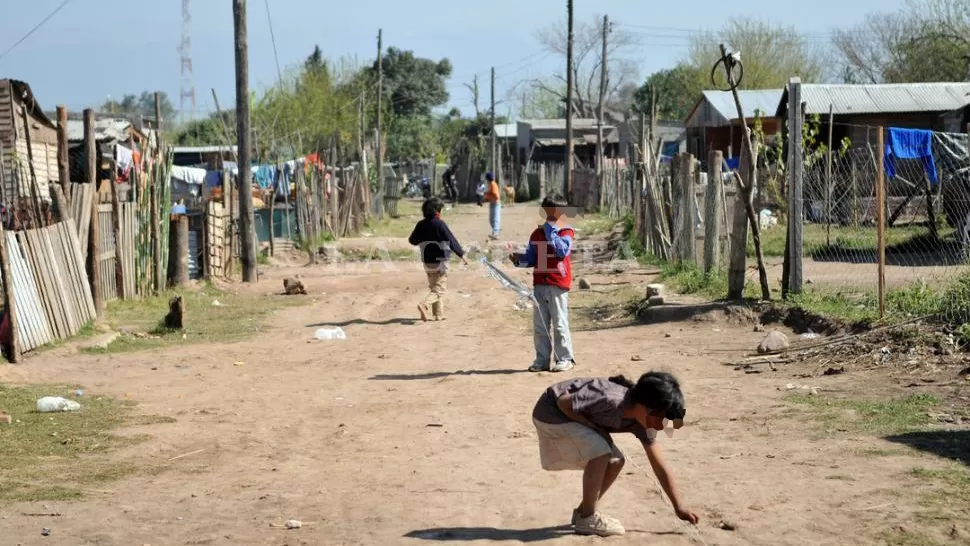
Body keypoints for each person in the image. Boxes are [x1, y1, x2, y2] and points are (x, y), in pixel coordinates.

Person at [531, 372, 698, 537]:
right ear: (643, 406)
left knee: (616, 460)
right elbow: (562, 403)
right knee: (602, 452)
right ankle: (588, 519)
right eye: (661, 417)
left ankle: (583, 512)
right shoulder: (610, 399)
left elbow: (659, 467)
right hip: (551, 413)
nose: (663, 425)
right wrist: (595, 428)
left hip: (569, 416)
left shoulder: (643, 423)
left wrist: (679, 507)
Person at [509, 195, 576, 373]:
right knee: (541, 325)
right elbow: (531, 258)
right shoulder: (536, 235)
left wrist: (550, 231)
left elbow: (562, 251)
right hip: (540, 284)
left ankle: (565, 358)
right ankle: (542, 360)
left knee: (560, 323)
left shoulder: (566, 233)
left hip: (557, 284)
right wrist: (518, 260)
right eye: (549, 214)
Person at [408, 196, 468, 322]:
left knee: (434, 287)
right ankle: (424, 305)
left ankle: (438, 315)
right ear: (436, 211)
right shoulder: (440, 224)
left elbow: (412, 240)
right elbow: (451, 240)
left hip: (427, 262)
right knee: (439, 289)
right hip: (440, 262)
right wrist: (461, 254)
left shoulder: (421, 224)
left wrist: (423, 238)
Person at [484, 172, 501, 239]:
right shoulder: (491, 185)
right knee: (491, 220)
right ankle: (495, 232)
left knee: (495, 219)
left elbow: (496, 196)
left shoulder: (493, 185)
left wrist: (487, 196)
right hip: (492, 203)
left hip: (496, 203)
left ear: (488, 179)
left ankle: (496, 233)